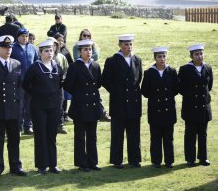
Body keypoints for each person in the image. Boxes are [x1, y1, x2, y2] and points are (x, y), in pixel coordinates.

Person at [0, 35, 27, 179]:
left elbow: (20, 86)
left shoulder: (17, 64)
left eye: (10, 47)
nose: (8, 50)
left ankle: (15, 166)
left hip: (14, 107)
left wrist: (18, 102)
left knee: (15, 139)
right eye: (5, 47)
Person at [22, 39, 63, 174]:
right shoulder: (35, 67)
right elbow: (25, 84)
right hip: (39, 107)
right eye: (46, 51)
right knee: (40, 135)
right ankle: (42, 165)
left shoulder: (58, 68)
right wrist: (36, 94)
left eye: (51, 50)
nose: (49, 53)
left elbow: (59, 86)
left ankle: (53, 164)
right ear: (40, 53)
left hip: (54, 107)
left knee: (52, 135)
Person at [102, 34, 142, 169]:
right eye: (125, 44)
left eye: (130, 44)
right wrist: (117, 92)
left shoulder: (137, 60)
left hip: (134, 102)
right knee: (118, 134)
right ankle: (117, 160)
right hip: (118, 102)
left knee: (134, 133)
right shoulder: (112, 60)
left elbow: (138, 78)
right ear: (119, 45)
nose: (128, 47)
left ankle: (134, 159)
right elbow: (105, 80)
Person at [64, 39, 102, 172]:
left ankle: (93, 161)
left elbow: (97, 84)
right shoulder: (74, 66)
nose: (88, 52)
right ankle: (82, 162)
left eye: (90, 49)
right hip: (80, 106)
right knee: (80, 136)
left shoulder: (96, 66)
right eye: (85, 50)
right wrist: (80, 93)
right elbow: (68, 85)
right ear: (80, 52)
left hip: (92, 105)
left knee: (92, 135)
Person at [141, 47, 178, 168]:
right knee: (155, 138)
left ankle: (169, 161)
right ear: (155, 58)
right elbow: (144, 91)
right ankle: (156, 161)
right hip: (155, 110)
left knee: (168, 137)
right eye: (159, 57)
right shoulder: (149, 73)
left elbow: (176, 89)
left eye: (164, 56)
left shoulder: (171, 71)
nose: (162, 59)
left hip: (168, 109)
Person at [178, 44, 213, 167]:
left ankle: (203, 158)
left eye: (201, 53)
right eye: (196, 54)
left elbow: (209, 86)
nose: (199, 56)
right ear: (191, 56)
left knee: (203, 134)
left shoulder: (207, 68)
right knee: (190, 134)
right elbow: (180, 88)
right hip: (190, 107)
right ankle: (190, 159)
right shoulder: (185, 69)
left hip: (204, 107)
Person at [73, 29, 110, 122]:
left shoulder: (94, 45)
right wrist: (88, 56)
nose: (86, 37)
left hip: (92, 71)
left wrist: (88, 56)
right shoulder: (76, 46)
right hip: (80, 73)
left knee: (96, 95)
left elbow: (97, 55)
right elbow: (77, 57)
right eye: (84, 35)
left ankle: (101, 113)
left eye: (88, 36)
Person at [11, 28, 39, 134]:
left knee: (30, 105)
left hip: (31, 82)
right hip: (18, 82)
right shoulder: (13, 48)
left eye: (26, 36)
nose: (25, 38)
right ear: (18, 37)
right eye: (23, 36)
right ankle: (18, 126)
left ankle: (28, 126)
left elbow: (37, 62)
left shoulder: (33, 48)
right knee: (19, 105)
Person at [47, 37, 69, 134]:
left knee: (60, 106)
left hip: (59, 86)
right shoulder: (43, 58)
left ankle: (60, 125)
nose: (53, 47)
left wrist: (63, 79)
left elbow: (66, 69)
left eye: (55, 45)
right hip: (47, 87)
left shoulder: (61, 57)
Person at [54, 33, 73, 122]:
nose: (61, 42)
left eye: (62, 40)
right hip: (54, 79)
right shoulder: (52, 51)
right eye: (59, 40)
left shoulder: (65, 51)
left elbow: (70, 64)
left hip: (64, 78)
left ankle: (65, 114)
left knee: (64, 98)